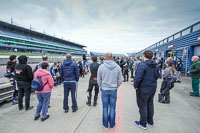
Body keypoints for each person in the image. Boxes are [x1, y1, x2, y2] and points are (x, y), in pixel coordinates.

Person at [134, 50, 159, 130]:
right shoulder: (156, 65)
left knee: (143, 106)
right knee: (150, 104)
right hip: (152, 88)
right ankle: (150, 121)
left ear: (144, 55)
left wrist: (136, 86)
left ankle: (143, 123)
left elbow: (138, 78)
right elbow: (157, 76)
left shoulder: (142, 65)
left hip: (143, 88)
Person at [97, 53, 122, 129]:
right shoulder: (117, 67)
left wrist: (101, 86)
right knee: (112, 107)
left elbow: (99, 80)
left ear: (105, 58)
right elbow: (120, 80)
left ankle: (105, 125)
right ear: (112, 58)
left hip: (104, 89)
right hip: (113, 89)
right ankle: (112, 125)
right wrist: (115, 86)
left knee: (105, 107)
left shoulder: (101, 67)